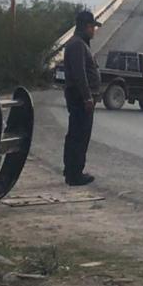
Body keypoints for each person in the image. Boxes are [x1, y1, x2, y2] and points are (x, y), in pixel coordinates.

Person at [62, 10, 102, 186]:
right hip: (79, 97)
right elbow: (80, 74)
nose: (94, 30)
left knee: (76, 134)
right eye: (93, 27)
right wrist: (87, 97)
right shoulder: (78, 45)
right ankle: (75, 174)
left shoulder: (78, 43)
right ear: (87, 27)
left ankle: (71, 169)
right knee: (80, 135)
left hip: (77, 96)